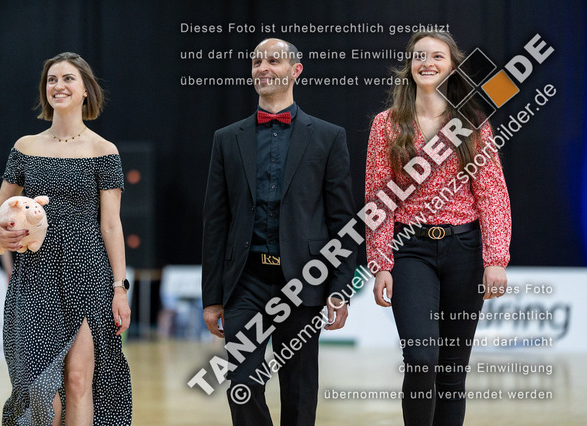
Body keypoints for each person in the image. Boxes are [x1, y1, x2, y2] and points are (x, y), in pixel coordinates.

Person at [202, 38, 357, 426]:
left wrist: (340, 288)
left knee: (300, 391)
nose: (263, 68)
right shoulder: (227, 138)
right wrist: (212, 297)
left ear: (295, 70)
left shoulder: (328, 136)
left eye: (274, 60)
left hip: (305, 280)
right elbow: (215, 222)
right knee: (242, 384)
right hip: (245, 283)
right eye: (257, 62)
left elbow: (343, 222)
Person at [366, 31, 511, 425]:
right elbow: (379, 198)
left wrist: (496, 259)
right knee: (420, 357)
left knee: (451, 371)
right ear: (409, 66)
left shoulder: (472, 122)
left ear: (452, 67)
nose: (427, 63)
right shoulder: (386, 124)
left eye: (437, 56)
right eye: (419, 56)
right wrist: (381, 262)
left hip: (464, 249)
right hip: (409, 250)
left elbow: (492, 194)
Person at [0, 52, 132, 425]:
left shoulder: (104, 151)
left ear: (85, 91)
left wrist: (119, 288)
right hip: (36, 276)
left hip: (88, 275)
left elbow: (111, 226)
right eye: (52, 79)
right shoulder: (25, 146)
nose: (58, 86)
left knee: (79, 381)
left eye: (68, 79)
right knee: (39, 389)